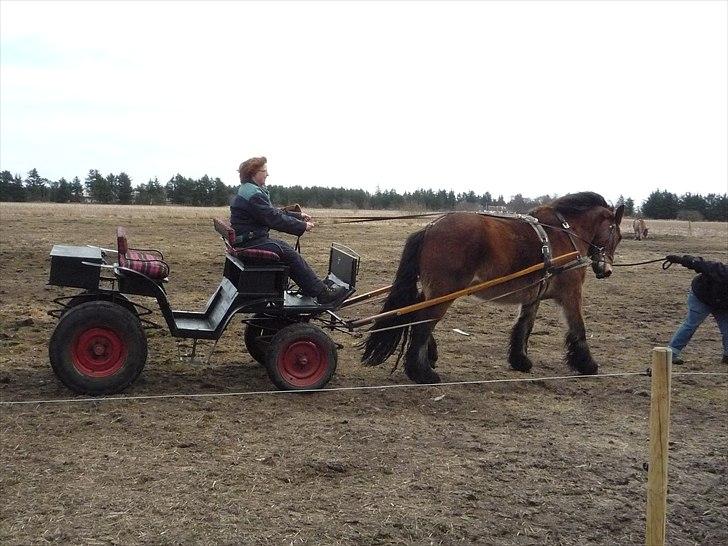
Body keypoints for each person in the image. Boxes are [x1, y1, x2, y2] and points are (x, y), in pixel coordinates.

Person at [230, 156, 347, 305]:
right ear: (254, 173)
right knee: (289, 254)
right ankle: (322, 293)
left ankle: (312, 287)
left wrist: (298, 216)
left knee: (285, 249)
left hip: (250, 239)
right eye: (264, 171)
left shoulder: (250, 190)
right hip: (252, 241)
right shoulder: (253, 194)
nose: (267, 174)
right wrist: (302, 226)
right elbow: (272, 218)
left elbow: (271, 212)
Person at [665, 254, 728, 365]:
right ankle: (671, 353)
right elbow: (700, 264)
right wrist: (680, 260)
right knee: (691, 324)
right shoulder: (721, 271)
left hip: (722, 304)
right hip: (701, 296)